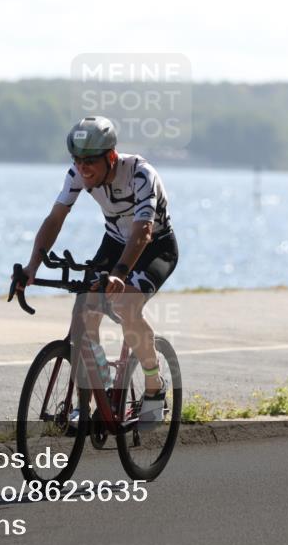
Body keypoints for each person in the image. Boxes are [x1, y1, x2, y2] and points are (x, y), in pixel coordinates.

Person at [19, 116, 179, 424]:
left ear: (111, 157)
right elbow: (55, 218)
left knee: (126, 305)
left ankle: (154, 384)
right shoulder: (77, 174)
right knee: (84, 311)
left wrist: (120, 274)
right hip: (115, 242)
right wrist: (32, 266)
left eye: (90, 161)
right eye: (77, 160)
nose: (83, 168)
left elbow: (143, 231)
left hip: (154, 246)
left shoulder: (141, 174)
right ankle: (96, 396)